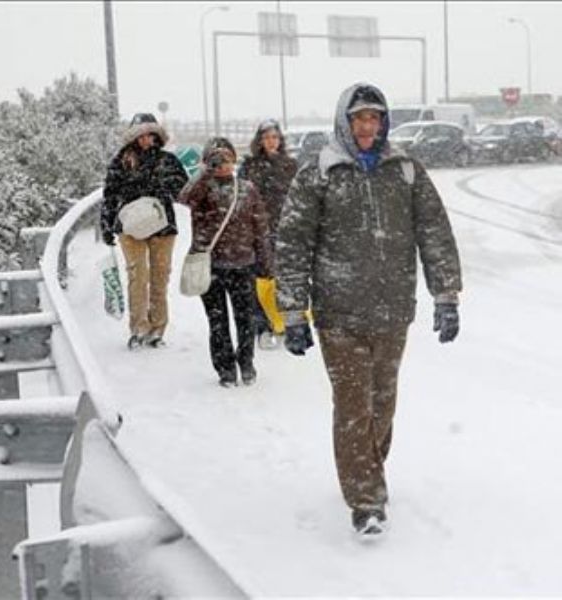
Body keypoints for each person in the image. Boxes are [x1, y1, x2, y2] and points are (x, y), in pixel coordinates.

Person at [275, 83, 462, 536]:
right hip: (339, 313)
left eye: (374, 118)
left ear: (384, 123)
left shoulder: (406, 171)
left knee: (383, 405)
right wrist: (294, 312)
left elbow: (434, 231)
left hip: (393, 310)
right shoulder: (318, 174)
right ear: (345, 121)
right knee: (354, 405)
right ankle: (366, 499)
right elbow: (292, 244)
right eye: (359, 118)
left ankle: (368, 466)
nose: (367, 126)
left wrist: (446, 295)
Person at [178, 137, 271, 387]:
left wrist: (265, 262)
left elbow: (260, 228)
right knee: (217, 323)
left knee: (246, 320)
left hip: (243, 264)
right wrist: (205, 173)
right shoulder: (202, 189)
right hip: (211, 266)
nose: (224, 164)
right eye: (217, 160)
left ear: (235, 159)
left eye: (228, 158)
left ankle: (247, 363)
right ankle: (225, 369)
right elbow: (184, 199)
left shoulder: (248, 189)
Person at [101, 113, 189, 349]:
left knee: (159, 278)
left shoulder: (168, 161)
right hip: (130, 227)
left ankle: (158, 329)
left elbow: (184, 191)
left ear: (156, 135)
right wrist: (107, 224)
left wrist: (168, 183)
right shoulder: (120, 161)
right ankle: (139, 328)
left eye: (150, 133)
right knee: (137, 277)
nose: (145, 138)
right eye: (141, 134)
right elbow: (110, 194)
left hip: (162, 226)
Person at [239, 119, 297, 347]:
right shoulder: (250, 166)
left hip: (285, 229)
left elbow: (297, 198)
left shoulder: (290, 165)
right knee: (260, 279)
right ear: (259, 141)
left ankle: (283, 323)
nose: (271, 142)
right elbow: (243, 198)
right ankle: (261, 325)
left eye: (275, 137)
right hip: (257, 229)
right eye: (267, 137)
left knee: (284, 279)